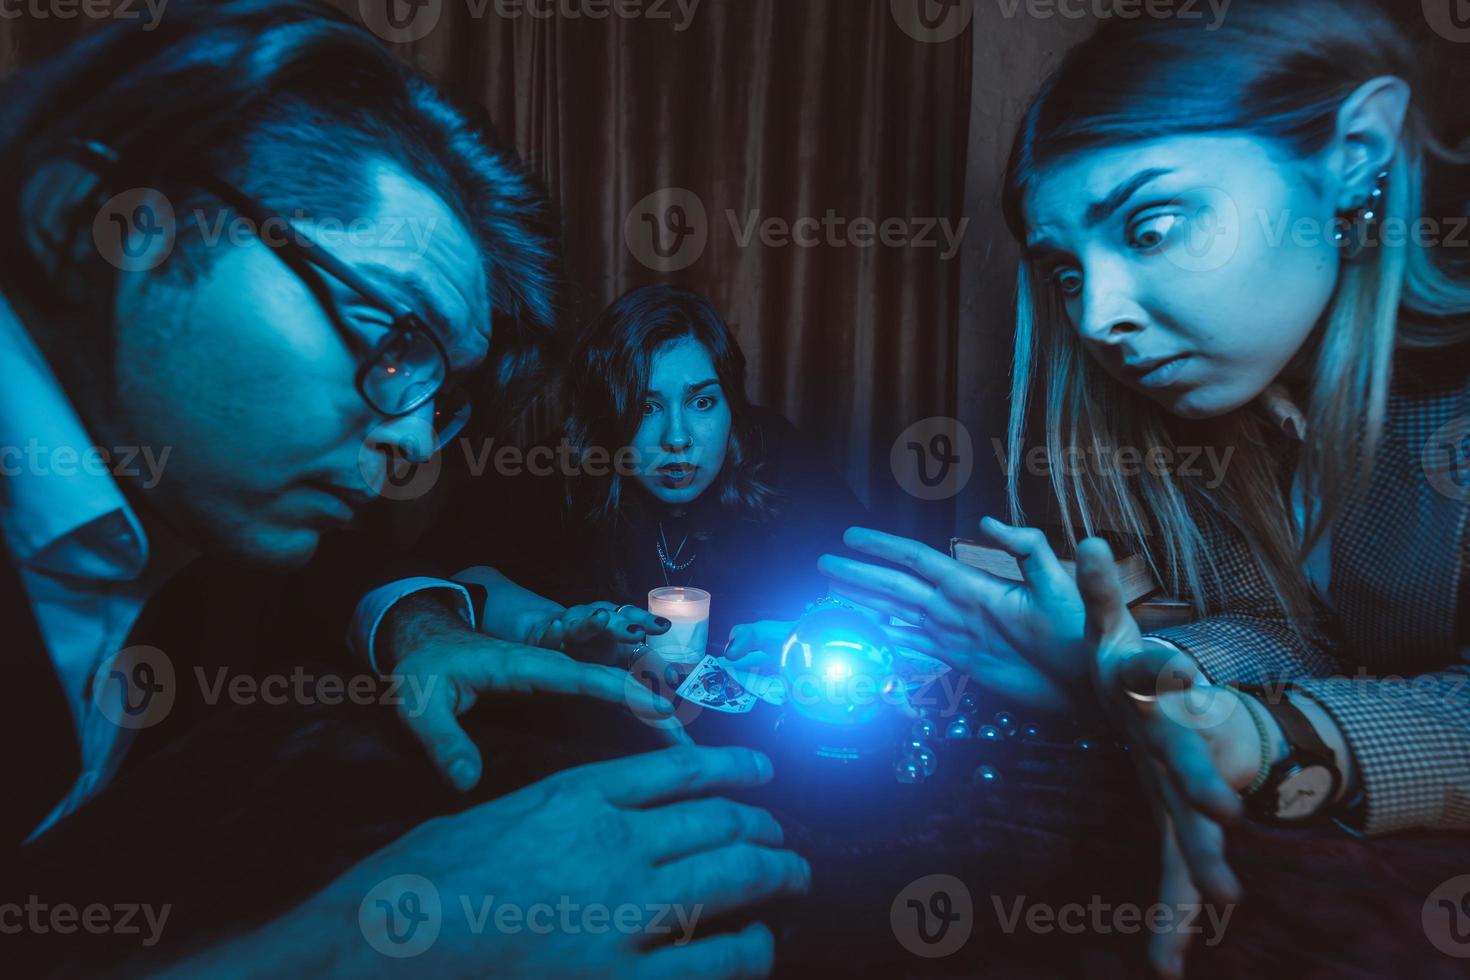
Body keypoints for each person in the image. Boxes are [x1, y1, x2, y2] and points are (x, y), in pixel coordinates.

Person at [0, 1, 807, 972]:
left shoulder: (217, 525)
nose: (417, 441)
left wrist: (421, 623)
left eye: (448, 393)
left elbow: (344, 579)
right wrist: (347, 953)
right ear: (101, 222)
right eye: (389, 336)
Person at [815, 1, 1470, 974]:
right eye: (1065, 272)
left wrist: (1272, 733)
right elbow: (1297, 628)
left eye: (1152, 225)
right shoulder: (1250, 409)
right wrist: (1135, 663)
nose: (1098, 316)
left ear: (1355, 153)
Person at [365, 285, 869, 774]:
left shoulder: (775, 454)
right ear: (608, 414)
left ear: (731, 404)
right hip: (597, 754)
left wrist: (807, 632)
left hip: (781, 752)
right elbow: (454, 569)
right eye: (646, 407)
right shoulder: (557, 468)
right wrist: (554, 627)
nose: (676, 438)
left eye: (702, 402)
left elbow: (874, 585)